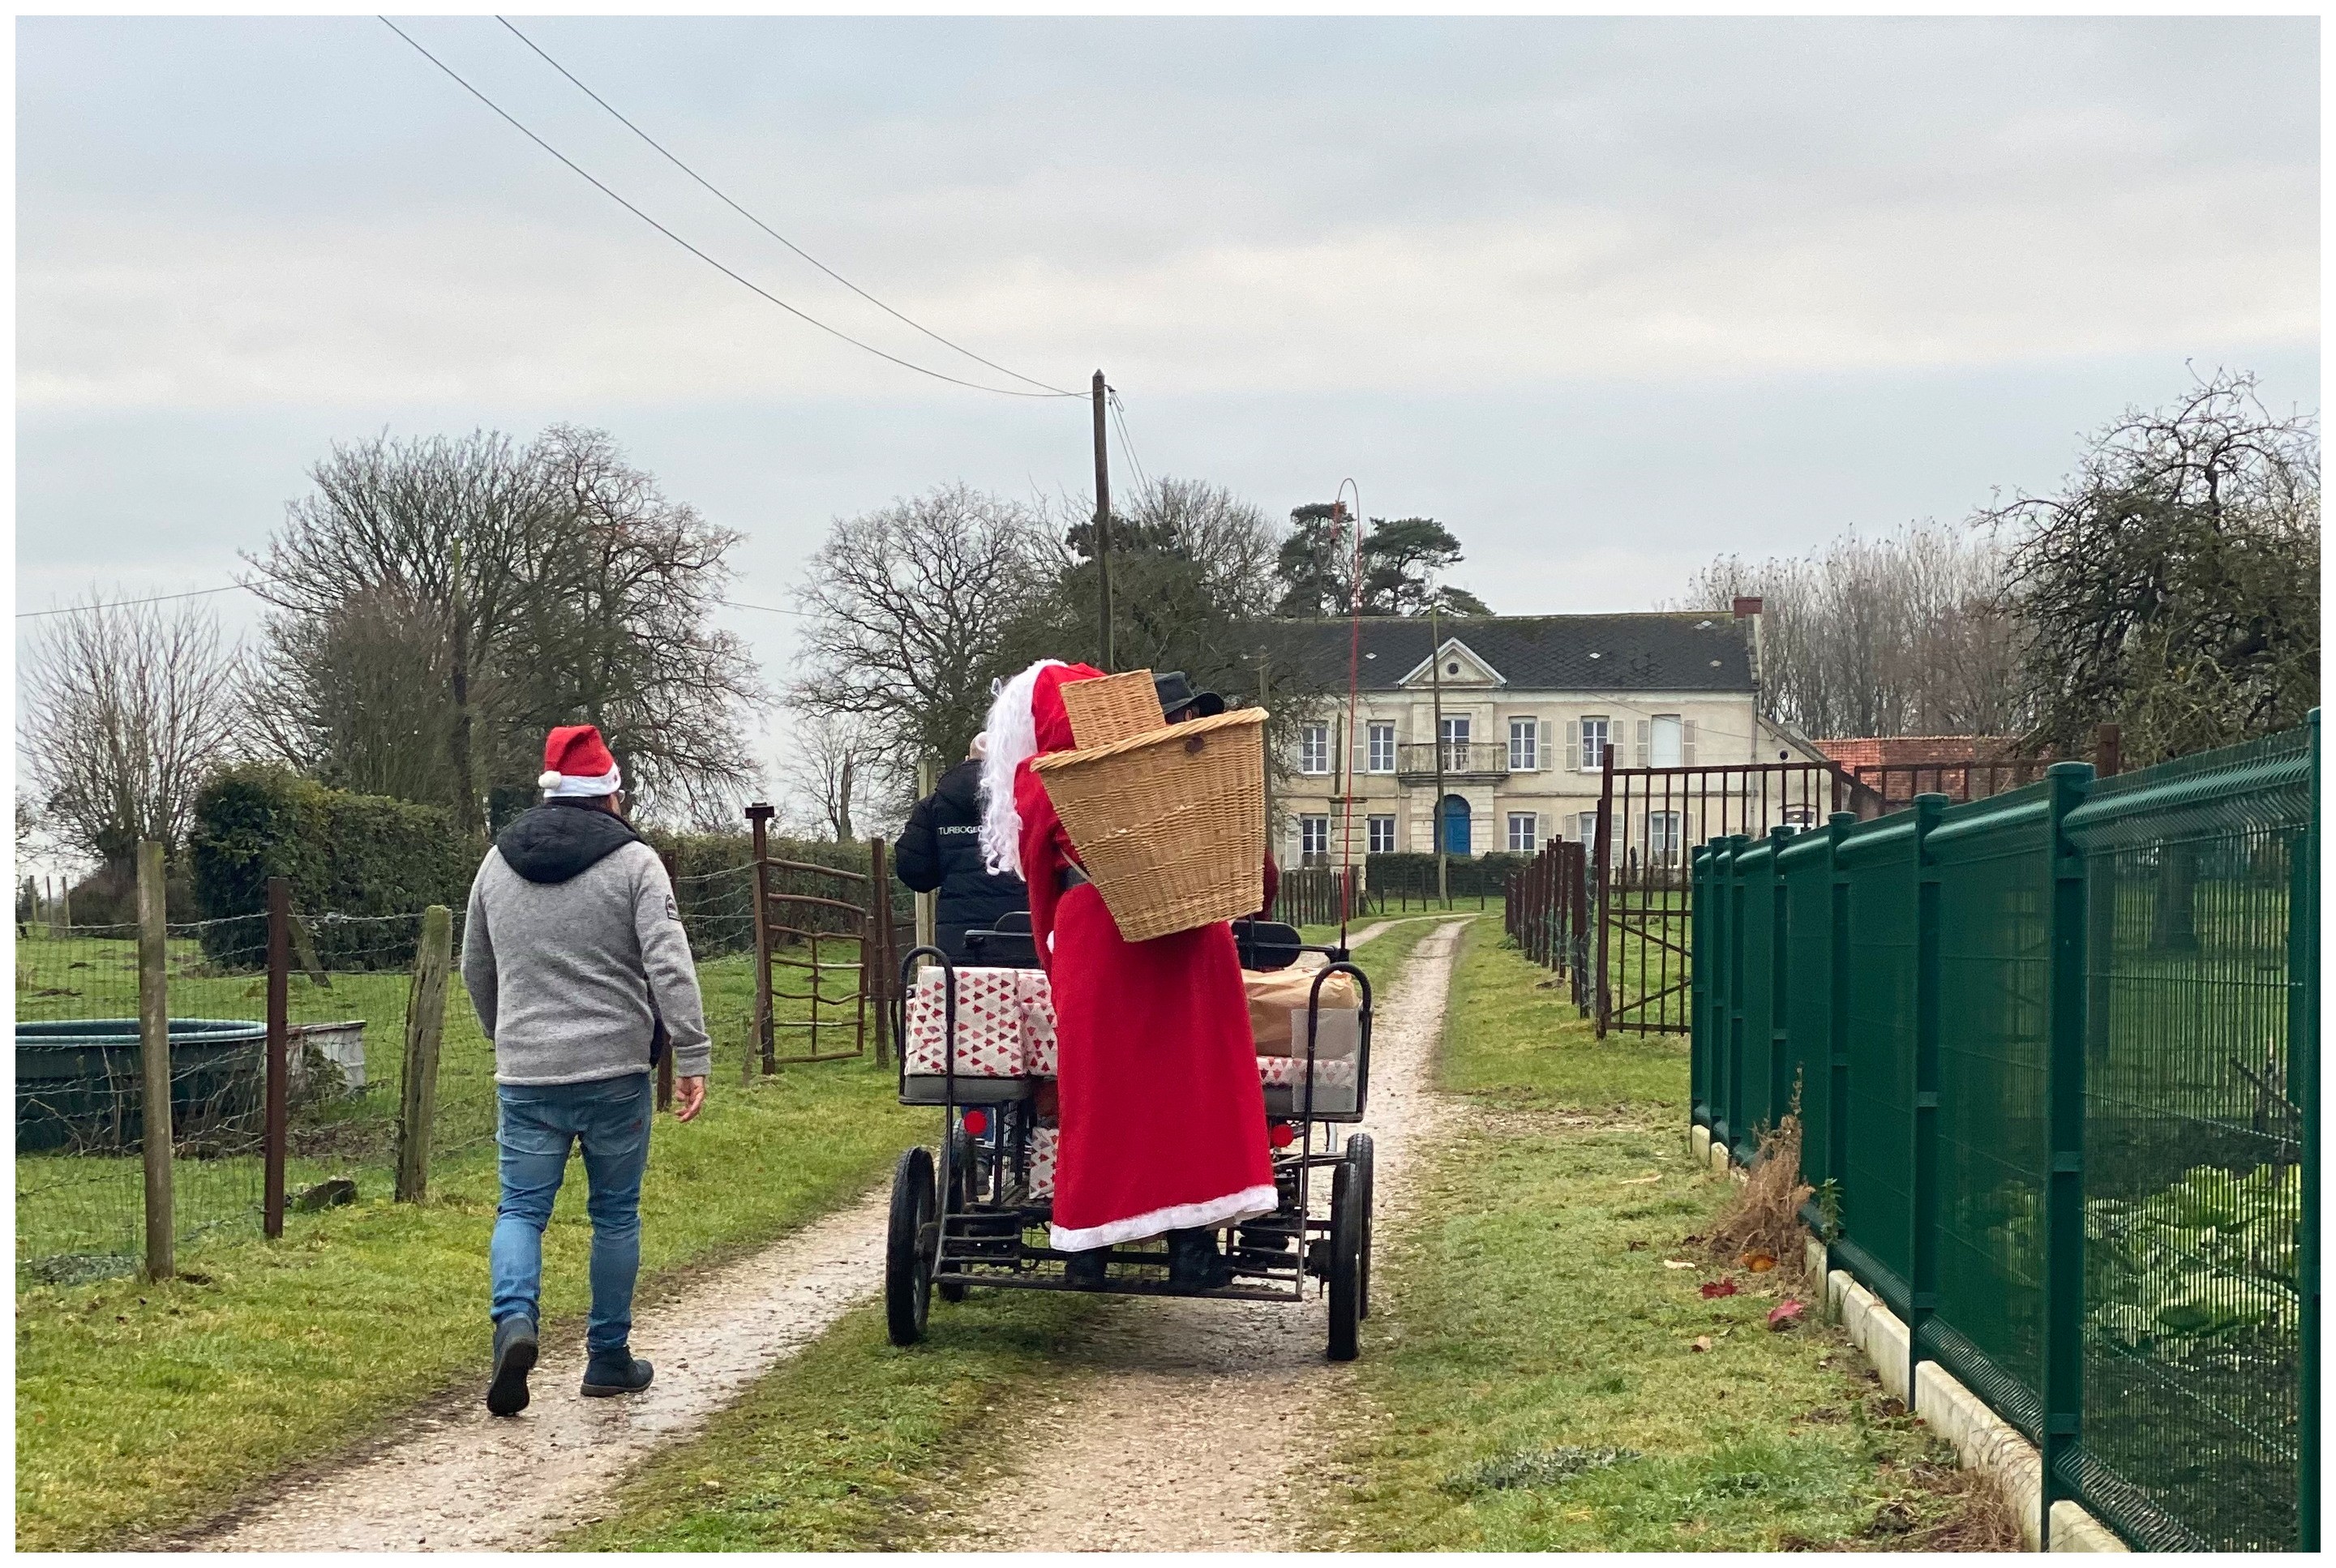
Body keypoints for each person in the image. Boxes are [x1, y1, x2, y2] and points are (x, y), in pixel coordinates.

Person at [979, 660, 1276, 1290]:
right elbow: (1253, 869)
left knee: (1099, 1095)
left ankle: (1087, 1249)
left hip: (1094, 939)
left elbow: (1037, 874)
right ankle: (1192, 1251)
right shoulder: (1184, 764)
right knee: (1195, 1088)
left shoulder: (1044, 780)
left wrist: (1057, 949)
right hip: (1190, 934)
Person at [461, 724, 711, 1417]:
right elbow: (669, 964)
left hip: (526, 1072)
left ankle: (515, 1322)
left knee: (520, 1210)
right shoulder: (635, 863)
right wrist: (692, 1053)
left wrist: (503, 1034)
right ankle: (606, 1360)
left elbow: (474, 967)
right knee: (614, 1214)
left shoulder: (495, 863)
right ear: (611, 795)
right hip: (614, 1070)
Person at [893, 735, 1030, 962]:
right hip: (1020, 932)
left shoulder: (932, 807)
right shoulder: (1022, 802)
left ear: (967, 759)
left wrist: (953, 869)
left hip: (960, 941)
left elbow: (914, 873)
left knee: (960, 995)